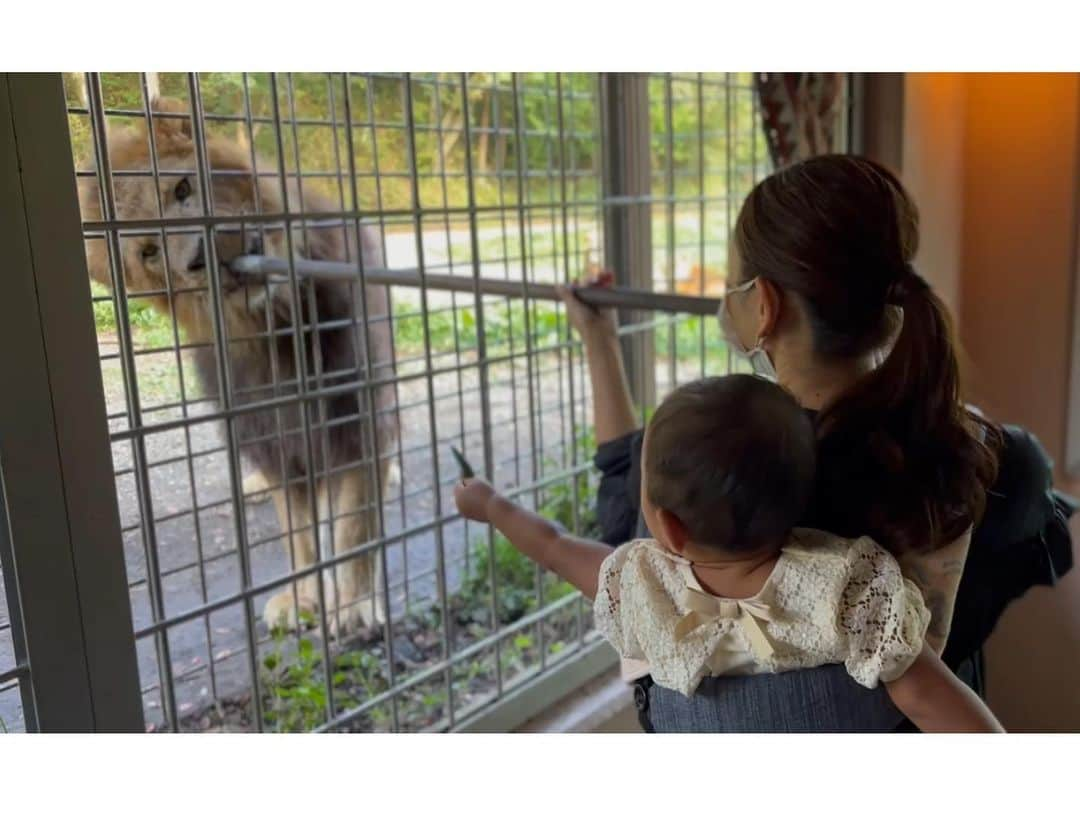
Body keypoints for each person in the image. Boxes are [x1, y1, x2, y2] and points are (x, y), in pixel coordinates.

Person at [554, 154, 1073, 732]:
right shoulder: (988, 462)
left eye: (737, 286)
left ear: (766, 304)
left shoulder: (720, 481)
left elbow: (623, 489)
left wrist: (597, 340)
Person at [453, 374, 1004, 732]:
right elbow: (929, 695)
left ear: (664, 524)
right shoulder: (846, 586)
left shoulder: (641, 580)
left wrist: (492, 505)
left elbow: (552, 547)